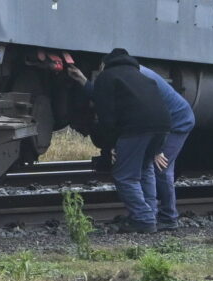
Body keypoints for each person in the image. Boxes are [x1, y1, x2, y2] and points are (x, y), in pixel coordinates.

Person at [76, 47, 185, 234]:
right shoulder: (141, 76)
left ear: (104, 64)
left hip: (136, 129)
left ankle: (143, 218)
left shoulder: (107, 77)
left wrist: (109, 145)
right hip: (164, 125)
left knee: (125, 176)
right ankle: (150, 215)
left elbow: (106, 116)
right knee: (145, 170)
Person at [137, 61, 197, 231]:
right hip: (170, 121)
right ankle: (155, 214)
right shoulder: (139, 73)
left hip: (177, 123)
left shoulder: (142, 78)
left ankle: (168, 217)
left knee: (160, 168)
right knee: (159, 168)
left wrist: (157, 149)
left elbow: (157, 115)